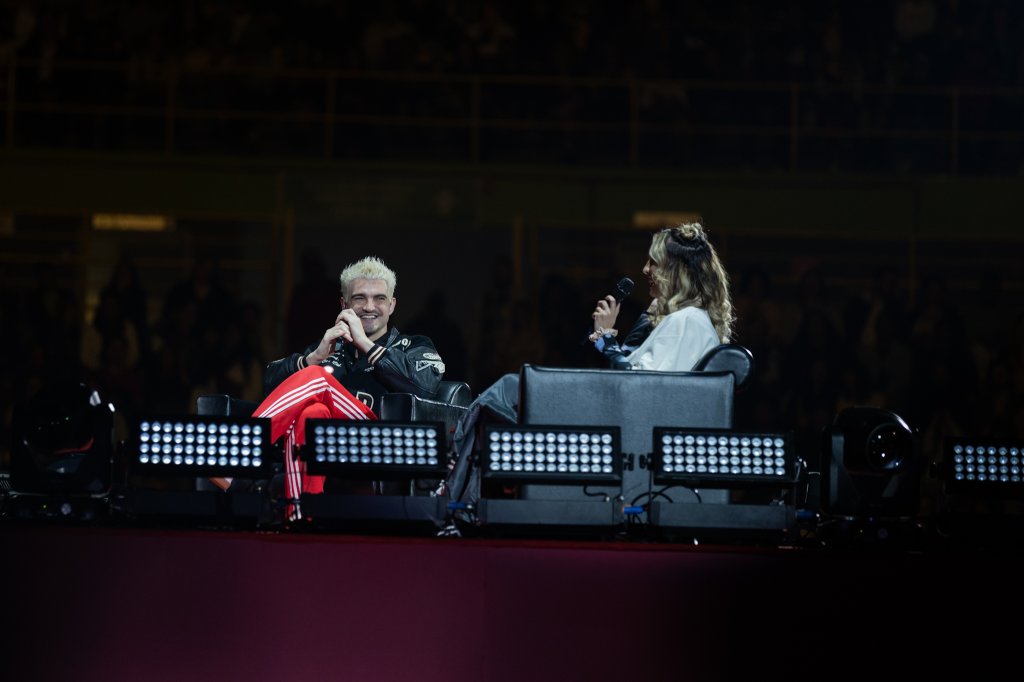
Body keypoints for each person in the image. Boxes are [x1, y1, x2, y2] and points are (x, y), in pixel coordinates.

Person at [446, 221, 735, 509]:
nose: (646, 270)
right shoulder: (682, 320)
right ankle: (461, 484)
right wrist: (632, 327)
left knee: (511, 389)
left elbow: (639, 388)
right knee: (509, 393)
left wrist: (607, 338)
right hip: (623, 424)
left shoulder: (686, 322)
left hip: (629, 434)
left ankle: (452, 479)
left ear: (677, 271)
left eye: (654, 262)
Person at [212, 256, 446, 521]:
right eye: (359, 298)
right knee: (312, 412)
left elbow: (425, 387)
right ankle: (299, 516)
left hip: (383, 442)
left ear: (391, 305)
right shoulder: (331, 347)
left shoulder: (415, 344)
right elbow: (270, 386)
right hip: (328, 444)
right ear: (344, 305)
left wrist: (364, 344)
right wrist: (313, 358)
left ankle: (239, 456)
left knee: (317, 378)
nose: (369, 306)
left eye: (379, 298)